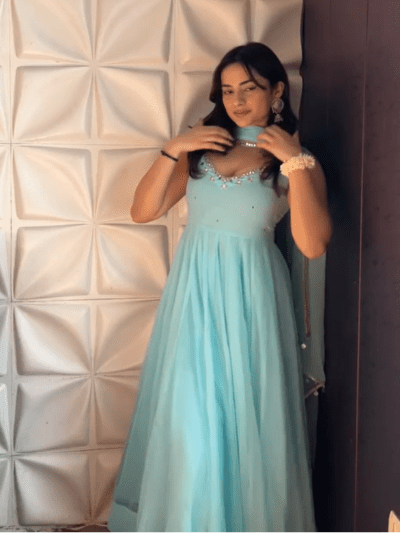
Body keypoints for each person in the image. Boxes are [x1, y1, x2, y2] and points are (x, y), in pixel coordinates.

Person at [107, 41, 332, 533]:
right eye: (227, 91)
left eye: (248, 88)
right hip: (193, 296)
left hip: (252, 298)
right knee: (189, 414)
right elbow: (142, 211)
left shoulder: (295, 159)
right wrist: (174, 148)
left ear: (277, 90)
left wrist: (294, 161)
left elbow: (313, 244)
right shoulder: (203, 148)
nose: (236, 100)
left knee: (245, 417)